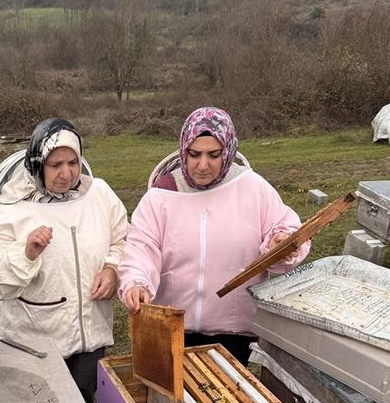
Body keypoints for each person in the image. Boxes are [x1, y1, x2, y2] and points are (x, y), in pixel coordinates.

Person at [118, 107, 309, 364]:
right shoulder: (162, 194)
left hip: (232, 333)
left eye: (213, 155)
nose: (202, 165)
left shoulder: (253, 189)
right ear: (183, 149)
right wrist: (137, 282)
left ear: (228, 151)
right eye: (194, 154)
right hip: (170, 327)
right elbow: (142, 245)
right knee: (166, 402)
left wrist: (282, 245)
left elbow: (286, 230)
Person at [0, 118, 129, 403]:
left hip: (90, 333)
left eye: (73, 162)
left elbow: (123, 238)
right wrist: (27, 254)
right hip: (36, 340)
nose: (66, 173)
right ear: (37, 163)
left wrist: (112, 268)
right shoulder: (12, 207)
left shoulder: (99, 194)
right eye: (55, 164)